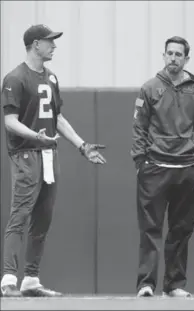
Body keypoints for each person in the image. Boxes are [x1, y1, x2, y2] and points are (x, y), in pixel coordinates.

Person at [1, 24, 106, 297]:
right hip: (26, 154)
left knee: (43, 217)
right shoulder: (14, 78)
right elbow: (10, 121)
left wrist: (82, 145)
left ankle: (31, 280)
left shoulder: (51, 78)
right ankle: (8, 279)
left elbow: (57, 118)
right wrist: (35, 136)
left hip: (49, 153)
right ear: (36, 44)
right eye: (50, 41)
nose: (54, 46)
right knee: (20, 214)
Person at [131, 36, 194, 298]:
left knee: (181, 230)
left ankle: (174, 285)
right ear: (163, 56)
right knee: (150, 229)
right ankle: (146, 284)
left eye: (178, 54)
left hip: (189, 169)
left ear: (186, 59)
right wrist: (140, 161)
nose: (173, 58)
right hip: (155, 168)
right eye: (169, 53)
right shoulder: (149, 88)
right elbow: (139, 127)